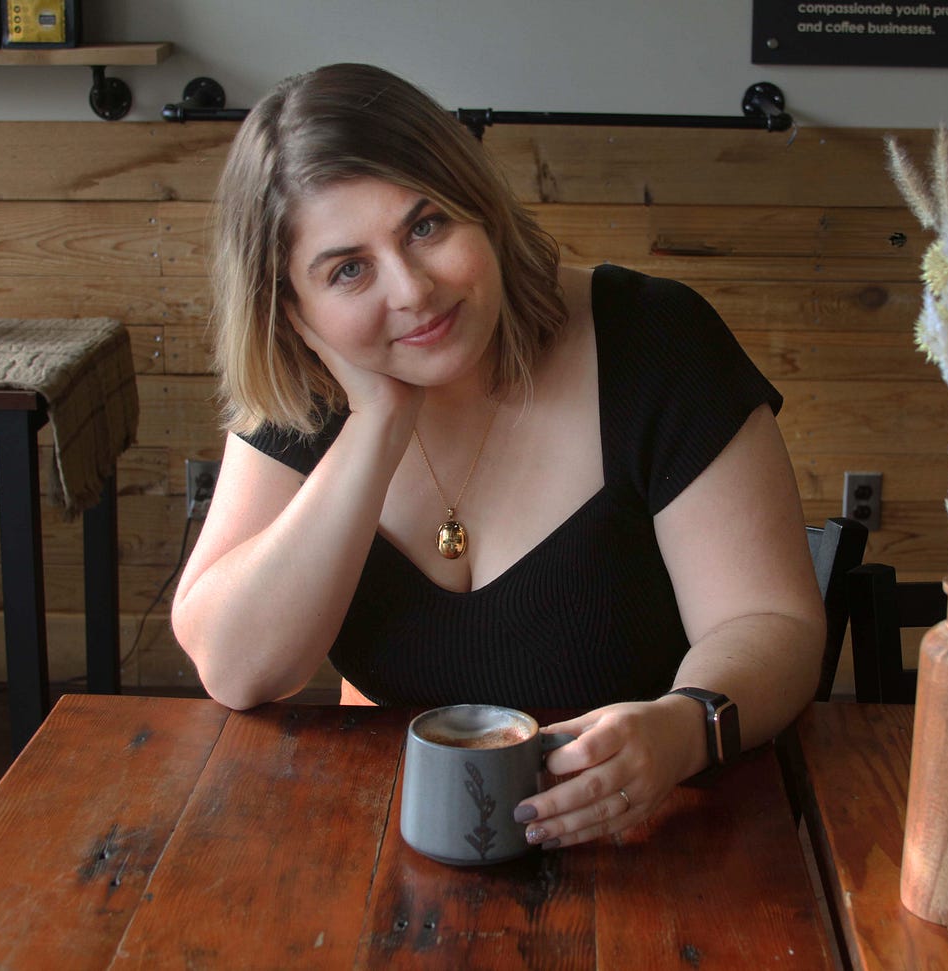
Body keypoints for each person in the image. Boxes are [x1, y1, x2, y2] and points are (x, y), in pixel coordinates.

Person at [171, 63, 826, 851]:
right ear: (292, 310)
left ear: (480, 207)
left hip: (651, 834)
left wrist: (683, 729)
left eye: (426, 226)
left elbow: (774, 623)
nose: (412, 289)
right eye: (349, 269)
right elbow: (235, 667)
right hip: (396, 840)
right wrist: (377, 422)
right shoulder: (310, 390)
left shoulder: (656, 340)